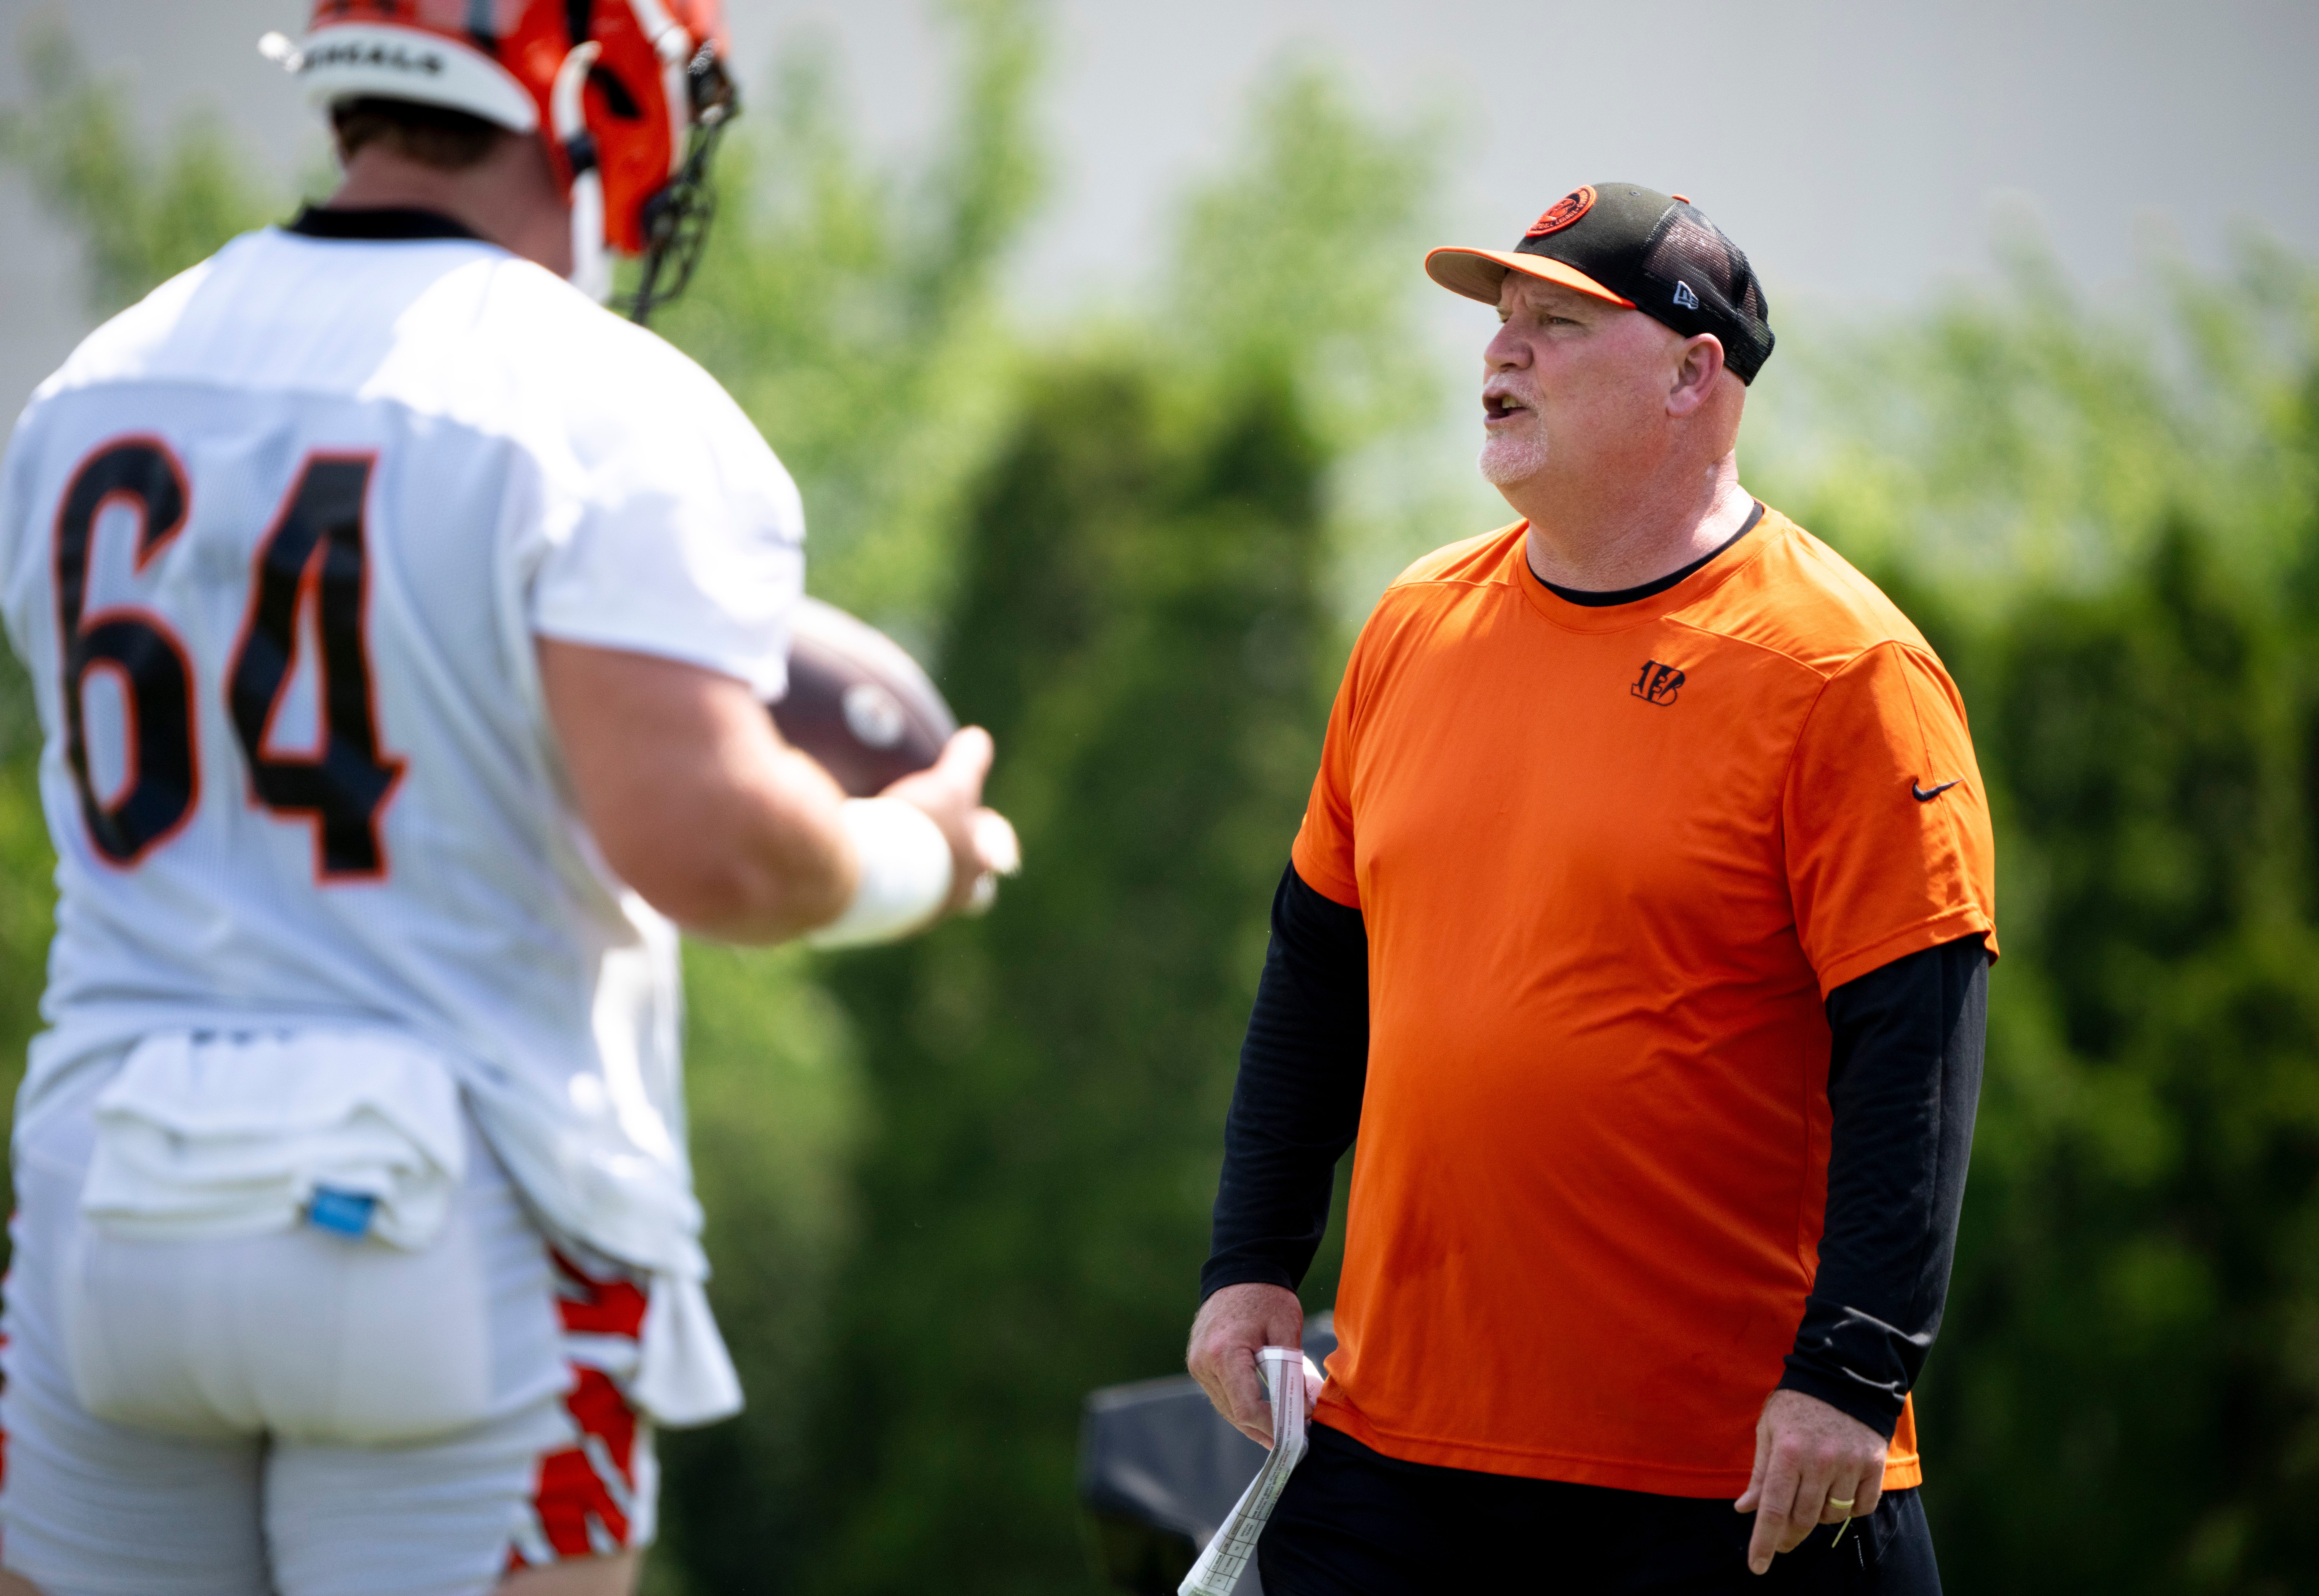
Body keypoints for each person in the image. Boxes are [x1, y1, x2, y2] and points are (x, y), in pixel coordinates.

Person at [0, 4, 1010, 1593]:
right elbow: (712, 851)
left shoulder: (90, 387)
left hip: (108, 1207)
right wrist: (911, 852)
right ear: (600, 90)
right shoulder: (600, 401)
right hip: (459, 1215)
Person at [1186, 183, 1996, 1593]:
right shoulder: (1413, 624)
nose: (1502, 356)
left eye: (1557, 325)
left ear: (1697, 374)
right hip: (1399, 1460)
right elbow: (1317, 970)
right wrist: (1249, 1262)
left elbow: (1916, 1051)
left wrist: (1854, 1378)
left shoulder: (1843, 671)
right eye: (1501, 326)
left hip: (1726, 1486)